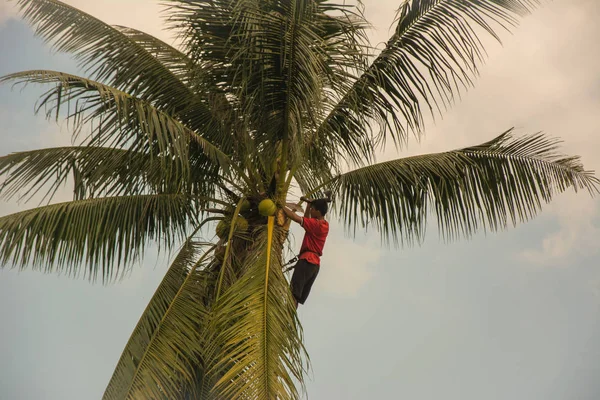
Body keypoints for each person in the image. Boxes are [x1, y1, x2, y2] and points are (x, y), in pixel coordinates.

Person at [282, 195, 330, 308]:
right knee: (297, 297)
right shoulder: (324, 225)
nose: (311, 211)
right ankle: (290, 319)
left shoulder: (316, 225)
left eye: (313, 209)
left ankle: (287, 315)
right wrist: (309, 206)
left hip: (306, 261)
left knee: (293, 294)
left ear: (318, 211)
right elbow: (307, 221)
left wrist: (280, 205)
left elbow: (295, 217)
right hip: (314, 265)